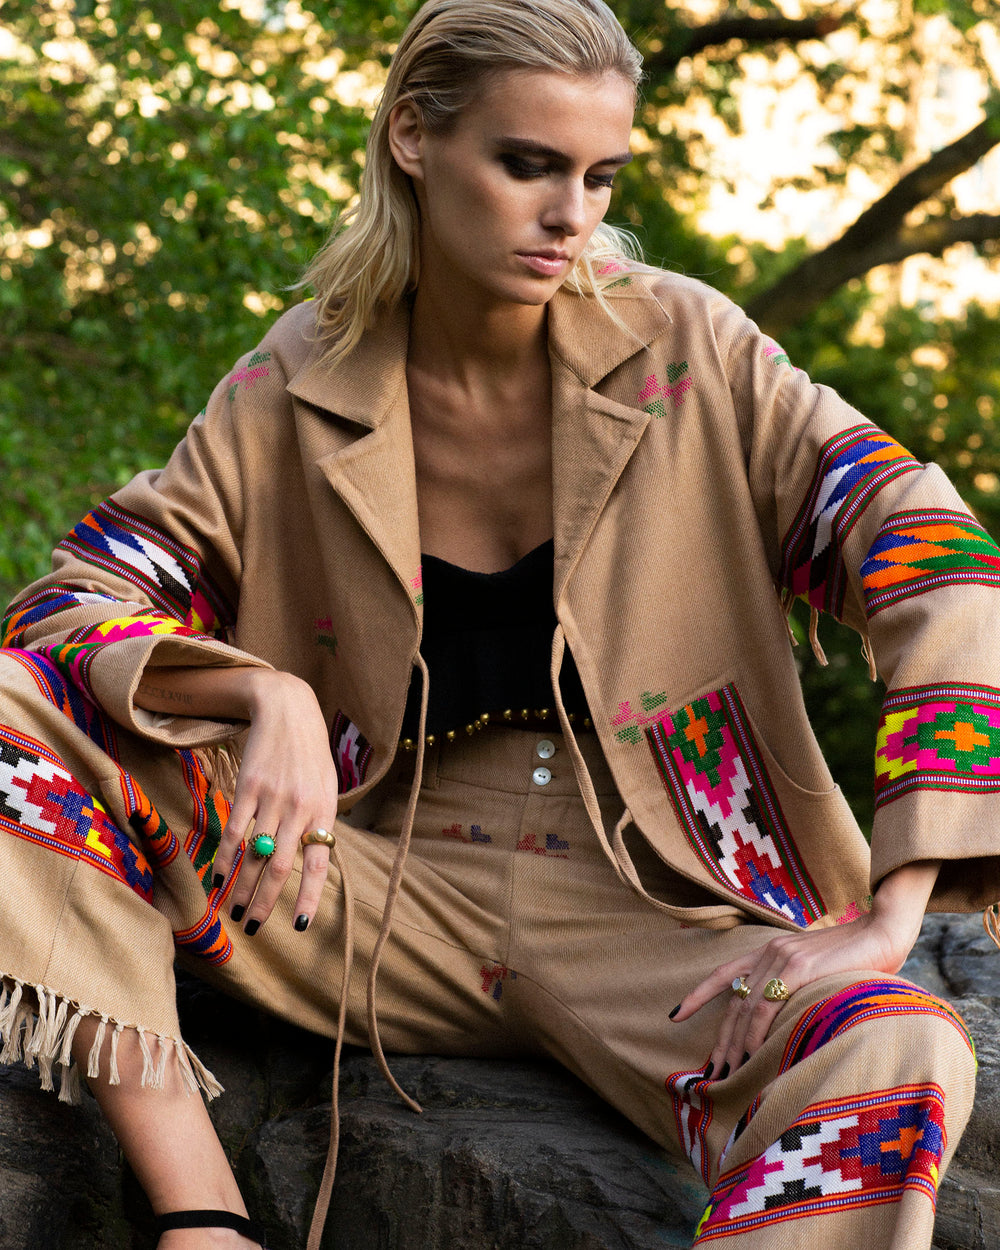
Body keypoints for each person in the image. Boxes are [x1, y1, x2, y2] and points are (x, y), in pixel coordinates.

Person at [1, 1, 998, 1246]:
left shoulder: (688, 349)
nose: (570, 213)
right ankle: (200, 1211)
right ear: (414, 138)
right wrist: (263, 696)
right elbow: (64, 612)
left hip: (664, 911)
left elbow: (933, 550)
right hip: (346, 889)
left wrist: (888, 919)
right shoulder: (292, 380)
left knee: (901, 1044)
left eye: (598, 175)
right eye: (527, 164)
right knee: (10, 713)